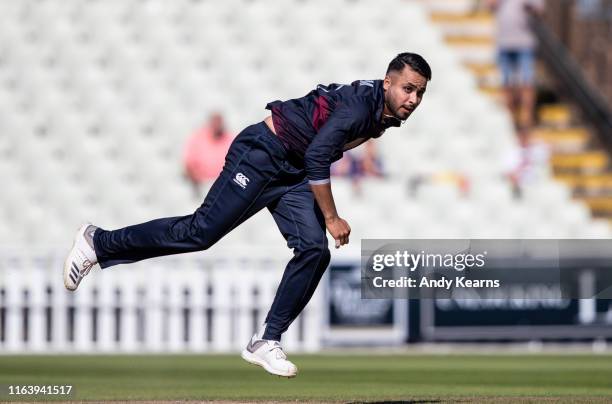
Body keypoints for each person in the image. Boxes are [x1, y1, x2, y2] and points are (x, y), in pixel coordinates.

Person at [63, 52, 431, 378]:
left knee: (314, 250)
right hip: (264, 154)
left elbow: (322, 146)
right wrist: (332, 217)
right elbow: (320, 154)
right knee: (200, 232)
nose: (412, 99)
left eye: (419, 93)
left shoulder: (382, 109)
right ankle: (98, 241)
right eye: (407, 89)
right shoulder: (359, 107)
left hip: (293, 169)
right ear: (387, 82)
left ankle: (266, 339)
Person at [486, 0, 544, 133]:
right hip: (504, 43)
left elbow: (539, 10)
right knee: (506, 83)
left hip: (525, 42)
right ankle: (511, 121)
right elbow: (489, 5)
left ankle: (526, 120)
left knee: (527, 82)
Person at [183, 112, 234, 198]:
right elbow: (188, 164)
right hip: (200, 184)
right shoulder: (197, 138)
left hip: (224, 184)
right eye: (214, 122)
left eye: (219, 122)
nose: (217, 125)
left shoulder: (231, 139)